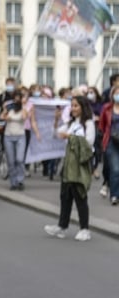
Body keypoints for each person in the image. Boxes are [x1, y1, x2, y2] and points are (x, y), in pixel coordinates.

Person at [45, 96, 95, 241]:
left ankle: (84, 228)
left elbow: (89, 142)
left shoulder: (88, 123)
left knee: (80, 195)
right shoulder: (71, 123)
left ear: (82, 107)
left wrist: (70, 137)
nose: (73, 109)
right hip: (69, 162)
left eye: (76, 106)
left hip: (80, 163)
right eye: (72, 106)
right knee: (65, 195)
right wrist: (56, 120)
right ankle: (62, 225)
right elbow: (56, 134)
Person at [1, 92, 28, 190]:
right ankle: (13, 182)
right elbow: (1, 117)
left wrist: (23, 106)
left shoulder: (23, 109)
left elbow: (25, 117)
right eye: (15, 98)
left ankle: (20, 180)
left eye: (18, 98)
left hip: (20, 136)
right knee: (11, 161)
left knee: (19, 159)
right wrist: (5, 113)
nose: (16, 101)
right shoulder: (9, 108)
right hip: (8, 136)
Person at [98, 85, 119, 205]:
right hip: (111, 141)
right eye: (116, 92)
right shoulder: (107, 108)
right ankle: (114, 195)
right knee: (115, 169)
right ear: (112, 95)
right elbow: (101, 125)